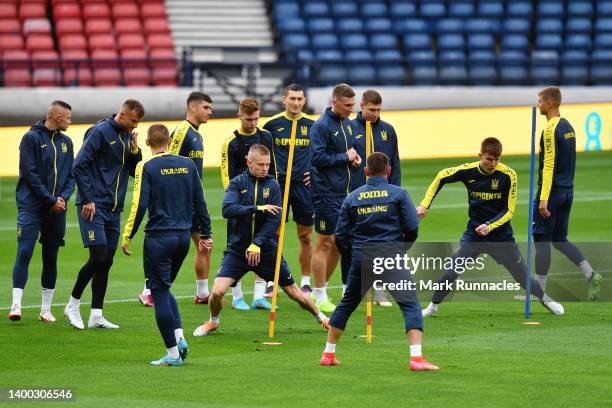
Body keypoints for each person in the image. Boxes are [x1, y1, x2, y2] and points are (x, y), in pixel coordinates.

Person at [417, 137, 564, 317]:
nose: (493, 163)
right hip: (474, 236)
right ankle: (432, 307)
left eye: (497, 159)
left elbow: (509, 211)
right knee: (451, 271)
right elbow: (441, 176)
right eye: (489, 159)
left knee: (523, 279)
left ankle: (545, 299)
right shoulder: (468, 171)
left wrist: (489, 225)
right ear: (480, 155)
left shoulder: (508, 175)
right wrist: (425, 205)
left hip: (501, 237)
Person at [193, 145, 329, 336]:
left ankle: (322, 318)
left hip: (266, 251)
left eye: (267, 164)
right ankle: (213, 322)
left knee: (294, 293)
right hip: (237, 252)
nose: (265, 168)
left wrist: (256, 243)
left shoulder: (273, 185)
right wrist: (258, 208)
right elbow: (227, 209)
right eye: (261, 164)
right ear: (249, 163)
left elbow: (274, 220)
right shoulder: (237, 183)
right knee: (216, 293)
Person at [320, 152, 438, 371]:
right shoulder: (399, 194)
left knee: (347, 304)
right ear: (389, 171)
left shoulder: (352, 197)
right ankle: (416, 358)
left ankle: (328, 353)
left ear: (365, 172)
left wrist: (352, 256)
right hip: (390, 257)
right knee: (410, 304)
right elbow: (412, 228)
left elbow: (341, 236)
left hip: (361, 259)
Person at [121, 124, 212, 366]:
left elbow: (139, 204)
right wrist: (206, 233)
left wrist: (127, 235)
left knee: (158, 291)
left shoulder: (146, 166)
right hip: (183, 238)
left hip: (158, 238)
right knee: (165, 287)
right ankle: (179, 337)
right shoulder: (189, 165)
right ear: (170, 141)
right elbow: (199, 201)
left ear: (148, 143)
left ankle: (172, 354)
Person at [64, 99, 144, 330]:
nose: (135, 126)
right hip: (93, 206)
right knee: (98, 256)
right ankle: (72, 305)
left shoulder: (128, 136)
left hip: (113, 208)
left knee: (106, 261)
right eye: (133, 121)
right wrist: (87, 198)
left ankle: (96, 314)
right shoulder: (100, 132)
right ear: (123, 114)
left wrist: (135, 150)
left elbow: (133, 171)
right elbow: (79, 165)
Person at [138, 91, 214, 307]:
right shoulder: (182, 132)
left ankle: (202, 293)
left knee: (204, 244)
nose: (210, 111)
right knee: (164, 245)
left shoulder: (196, 134)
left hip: (191, 201)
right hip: (178, 203)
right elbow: (166, 161)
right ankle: (148, 290)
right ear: (192, 107)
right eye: (206, 107)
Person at [533, 87, 602, 301]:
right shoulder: (568, 126)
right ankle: (590, 274)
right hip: (567, 191)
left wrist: (543, 199)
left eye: (541, 101)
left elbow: (548, 164)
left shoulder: (550, 130)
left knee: (542, 238)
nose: (538, 105)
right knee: (560, 239)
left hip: (552, 193)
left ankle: (539, 292)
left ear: (550, 103)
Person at [9, 101, 75, 323]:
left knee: (51, 256)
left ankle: (46, 309)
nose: (70, 121)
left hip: (57, 209)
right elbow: (29, 173)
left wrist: (62, 199)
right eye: (68, 118)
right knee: (25, 251)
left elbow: (70, 176)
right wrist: (50, 199)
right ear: (57, 117)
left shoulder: (67, 142)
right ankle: (16, 304)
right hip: (32, 206)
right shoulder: (31, 138)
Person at [310, 83, 361, 313]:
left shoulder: (348, 125)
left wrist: (353, 158)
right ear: (335, 102)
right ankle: (319, 296)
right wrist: (344, 157)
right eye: (348, 105)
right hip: (326, 194)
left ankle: (324, 289)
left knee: (340, 243)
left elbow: (346, 154)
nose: (352, 109)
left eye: (353, 105)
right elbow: (318, 158)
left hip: (345, 193)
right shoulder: (321, 126)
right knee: (324, 243)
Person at [220, 98, 275, 310]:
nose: (253, 123)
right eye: (249, 119)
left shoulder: (265, 137)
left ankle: (260, 296)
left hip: (265, 204)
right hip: (241, 207)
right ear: (239, 116)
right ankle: (237, 297)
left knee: (262, 245)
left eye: (256, 119)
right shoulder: (231, 143)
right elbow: (227, 177)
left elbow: (273, 169)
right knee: (238, 248)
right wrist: (235, 203)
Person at [262, 84, 315, 297]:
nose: (295, 102)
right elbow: (261, 154)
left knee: (306, 236)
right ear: (284, 99)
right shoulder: (272, 125)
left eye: (299, 99)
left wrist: (315, 172)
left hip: (304, 188)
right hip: (278, 188)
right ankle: (271, 279)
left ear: (304, 101)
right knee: (274, 235)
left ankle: (305, 282)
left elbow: (321, 153)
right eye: (291, 98)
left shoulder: (313, 126)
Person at [350, 89, 401, 307]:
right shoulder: (349, 129)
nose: (375, 114)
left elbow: (395, 164)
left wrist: (396, 194)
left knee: (383, 242)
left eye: (379, 110)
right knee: (358, 243)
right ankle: (354, 289)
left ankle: (379, 291)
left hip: (384, 197)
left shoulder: (388, 130)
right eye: (372, 109)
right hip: (358, 195)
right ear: (361, 105)